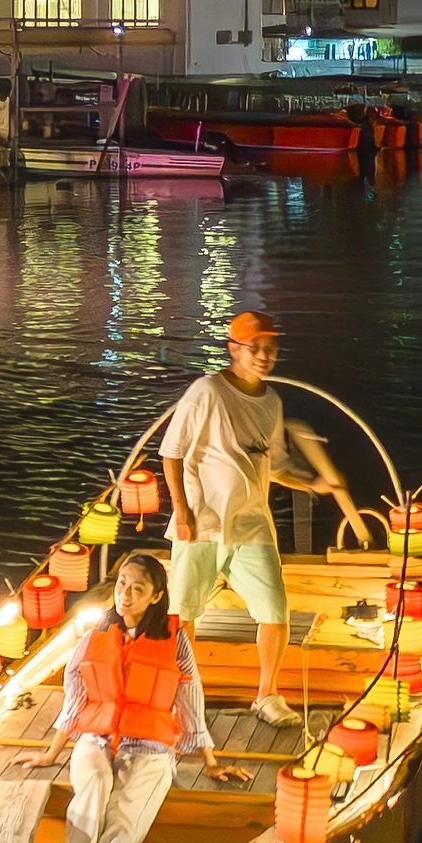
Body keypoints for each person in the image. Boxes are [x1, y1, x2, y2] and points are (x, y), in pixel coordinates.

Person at [160, 311, 338, 728]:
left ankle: (267, 695)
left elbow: (274, 465)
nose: (263, 355)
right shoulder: (206, 391)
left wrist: (314, 484)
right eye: (254, 347)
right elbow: (171, 453)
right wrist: (183, 513)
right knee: (184, 613)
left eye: (270, 348)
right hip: (202, 522)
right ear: (234, 349)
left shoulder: (271, 403)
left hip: (252, 523)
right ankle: (183, 693)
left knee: (275, 610)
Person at [15, 552, 250, 843]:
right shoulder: (96, 633)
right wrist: (51, 753)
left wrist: (209, 761)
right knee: (93, 789)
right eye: (122, 584)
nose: (125, 594)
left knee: (124, 820)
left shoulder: (174, 639)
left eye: (137, 588)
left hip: (149, 747)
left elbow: (190, 695)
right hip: (95, 740)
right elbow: (74, 696)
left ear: (156, 596)